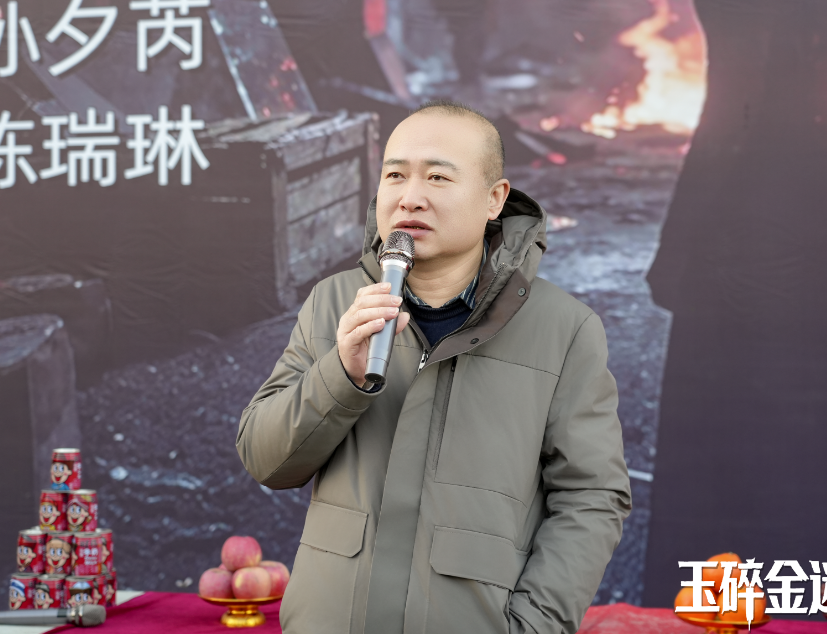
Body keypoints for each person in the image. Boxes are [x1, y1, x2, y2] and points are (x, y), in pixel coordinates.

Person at [237, 100, 631, 634]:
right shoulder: (334, 303)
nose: (410, 197)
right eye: (395, 175)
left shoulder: (563, 327)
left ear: (495, 199)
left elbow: (591, 496)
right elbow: (266, 461)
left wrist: (534, 625)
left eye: (438, 177)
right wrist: (341, 376)